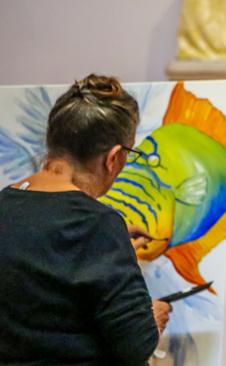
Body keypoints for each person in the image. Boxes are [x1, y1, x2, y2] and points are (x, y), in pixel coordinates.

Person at [0, 74, 172, 365]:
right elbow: (135, 346)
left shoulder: (5, 203)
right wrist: (152, 317)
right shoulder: (98, 226)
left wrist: (111, 253)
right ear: (113, 158)